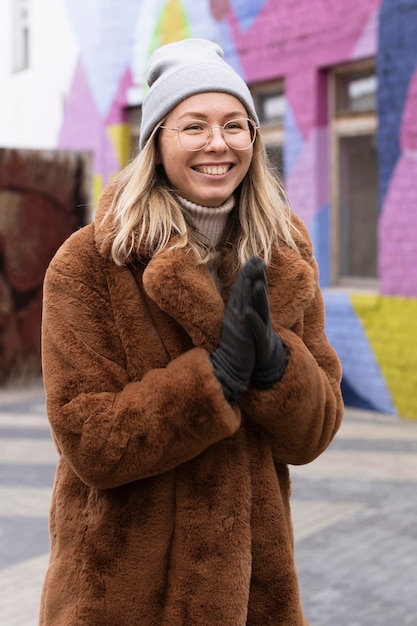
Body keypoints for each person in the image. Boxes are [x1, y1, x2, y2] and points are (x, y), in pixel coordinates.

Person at [39, 38, 343, 625]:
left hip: (254, 593)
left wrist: (277, 369)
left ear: (253, 138)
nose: (217, 143)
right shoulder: (91, 262)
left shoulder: (283, 253)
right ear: (156, 141)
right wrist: (214, 380)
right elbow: (88, 442)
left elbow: (313, 434)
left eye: (235, 124)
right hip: (124, 594)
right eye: (194, 125)